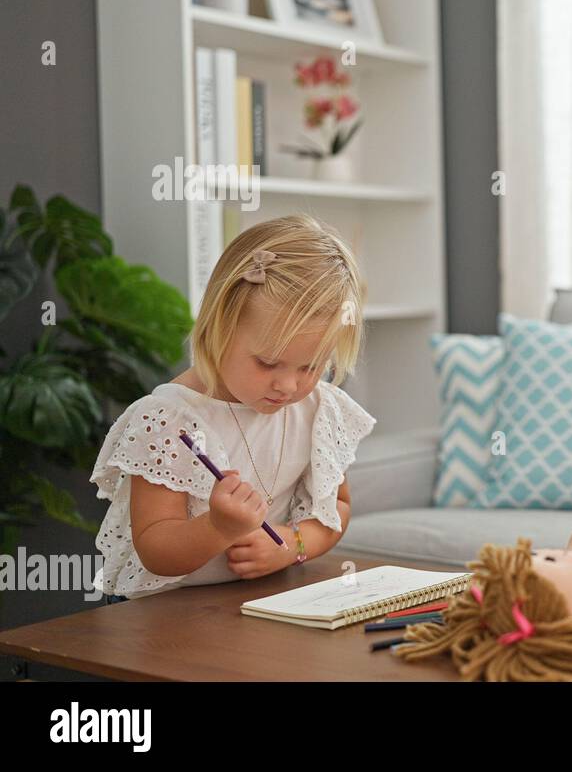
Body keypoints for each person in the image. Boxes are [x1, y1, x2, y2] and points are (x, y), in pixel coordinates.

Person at [92, 214, 376, 602]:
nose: (288, 386)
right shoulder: (167, 418)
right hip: (161, 614)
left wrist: (291, 545)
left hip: (256, 604)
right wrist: (218, 528)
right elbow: (154, 548)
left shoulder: (316, 408)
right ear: (219, 327)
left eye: (311, 366)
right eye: (267, 363)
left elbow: (337, 507)